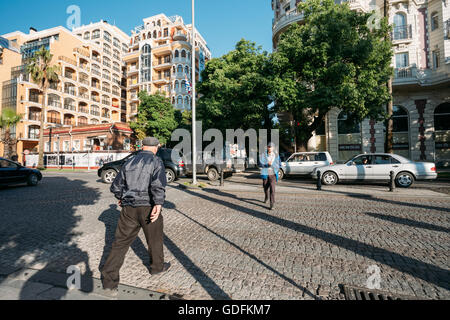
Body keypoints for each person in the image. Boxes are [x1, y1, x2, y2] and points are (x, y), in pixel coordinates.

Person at [100, 137, 170, 295]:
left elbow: (116, 186)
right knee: (154, 239)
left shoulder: (129, 161)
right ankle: (157, 267)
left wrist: (121, 197)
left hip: (129, 208)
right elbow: (158, 184)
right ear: (156, 147)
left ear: (142, 146)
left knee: (120, 243)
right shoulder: (156, 161)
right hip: (149, 206)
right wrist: (158, 204)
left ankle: (109, 281)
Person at [260, 143, 281, 210]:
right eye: (269, 147)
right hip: (265, 174)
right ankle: (266, 197)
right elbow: (260, 164)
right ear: (267, 148)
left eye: (271, 147)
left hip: (273, 174)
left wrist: (275, 167)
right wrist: (267, 165)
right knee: (265, 188)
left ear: (273, 148)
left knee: (272, 189)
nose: (270, 148)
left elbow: (279, 164)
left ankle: (272, 204)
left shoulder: (277, 156)